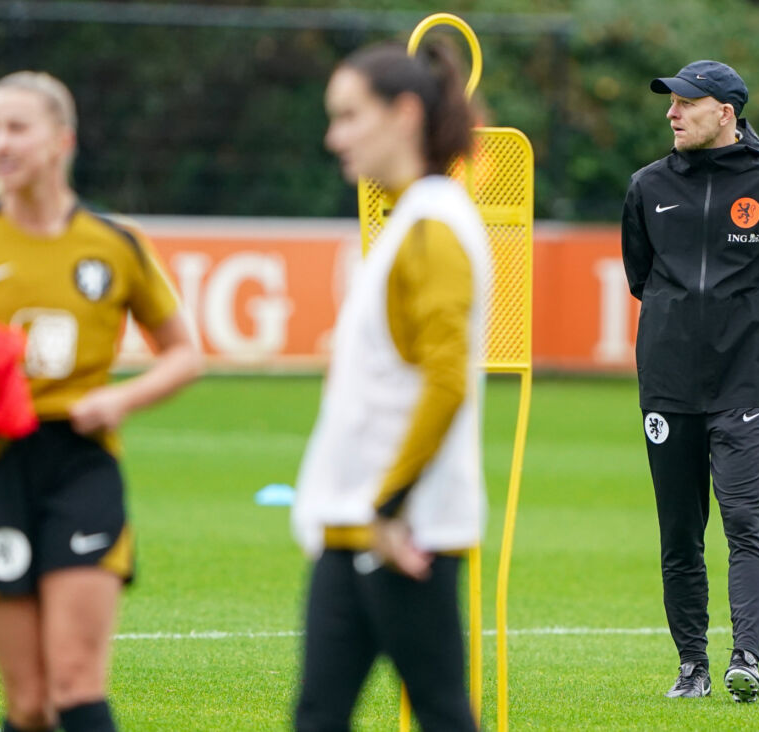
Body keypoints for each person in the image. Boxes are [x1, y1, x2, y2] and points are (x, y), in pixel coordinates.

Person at [0, 71, 201, 732]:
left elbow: (186, 353)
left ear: (61, 140)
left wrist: (120, 402)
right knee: (31, 705)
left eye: (17, 128)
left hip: (81, 464)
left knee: (76, 684)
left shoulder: (114, 243)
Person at [290, 40, 489, 732]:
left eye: (348, 116)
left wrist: (390, 503)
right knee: (318, 715)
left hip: (402, 528)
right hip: (359, 523)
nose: (333, 136)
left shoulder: (434, 226)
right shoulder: (410, 218)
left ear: (403, 114)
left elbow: (447, 382)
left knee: (439, 713)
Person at [620, 59, 759, 702]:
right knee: (679, 530)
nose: (671, 113)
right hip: (668, 385)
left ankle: (747, 658)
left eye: (685, 102)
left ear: (724, 113)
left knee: (743, 520)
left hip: (743, 382)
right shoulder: (646, 187)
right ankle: (692, 667)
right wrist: (683, 328)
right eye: (670, 102)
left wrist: (736, 328)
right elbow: (641, 276)